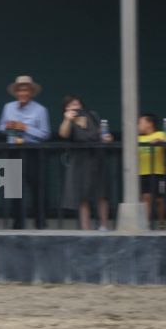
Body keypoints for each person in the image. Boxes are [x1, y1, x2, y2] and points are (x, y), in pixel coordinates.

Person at [0, 76, 50, 229]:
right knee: (14, 189)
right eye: (20, 90)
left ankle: (40, 222)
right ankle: (18, 222)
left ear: (31, 92)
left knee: (37, 188)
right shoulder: (8, 107)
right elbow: (1, 127)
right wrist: (9, 126)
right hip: (13, 150)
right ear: (16, 92)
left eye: (26, 90)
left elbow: (45, 134)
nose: (23, 93)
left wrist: (25, 128)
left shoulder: (40, 110)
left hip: (32, 151)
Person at [54, 94, 111, 231]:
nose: (73, 107)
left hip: (97, 159)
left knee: (101, 193)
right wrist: (67, 119)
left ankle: (103, 225)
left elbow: (102, 134)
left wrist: (107, 138)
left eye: (76, 104)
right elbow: (63, 134)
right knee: (82, 196)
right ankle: (86, 229)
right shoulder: (68, 122)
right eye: (69, 106)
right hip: (80, 161)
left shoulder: (92, 116)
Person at [137, 113, 166, 228]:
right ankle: (145, 223)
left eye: (140, 123)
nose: (138, 126)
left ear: (149, 123)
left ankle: (161, 222)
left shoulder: (160, 134)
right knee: (145, 198)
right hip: (143, 173)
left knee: (159, 199)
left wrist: (159, 141)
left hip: (158, 172)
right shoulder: (138, 138)